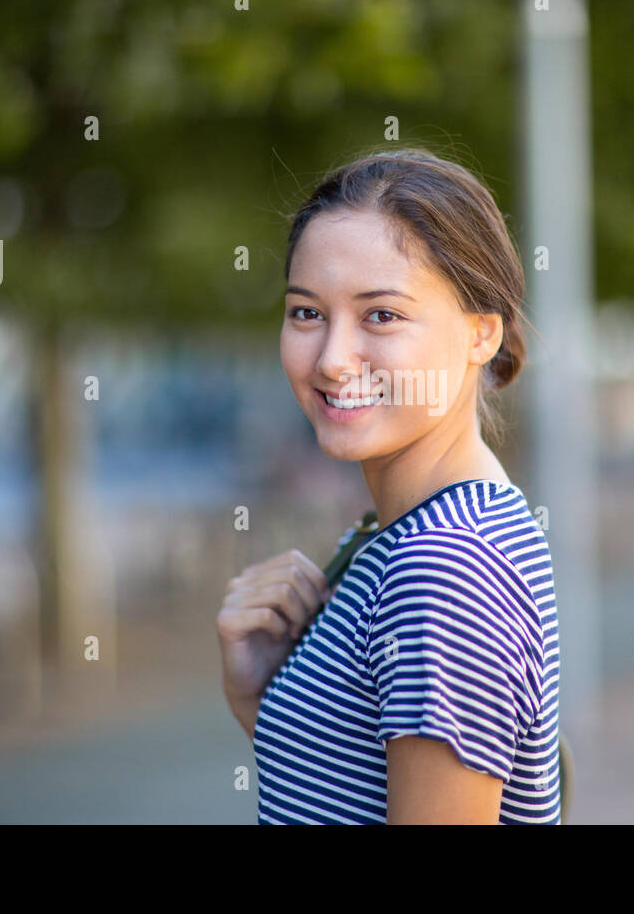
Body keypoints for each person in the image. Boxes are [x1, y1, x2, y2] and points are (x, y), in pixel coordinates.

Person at [216, 148, 560, 824]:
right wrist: (259, 701)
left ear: (481, 334)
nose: (333, 359)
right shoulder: (400, 534)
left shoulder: (447, 567)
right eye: (307, 313)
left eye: (382, 316)